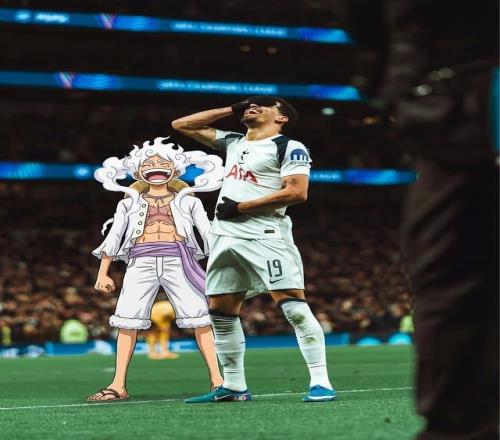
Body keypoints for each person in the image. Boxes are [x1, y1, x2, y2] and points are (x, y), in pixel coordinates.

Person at [340, 1, 499, 437]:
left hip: (460, 101)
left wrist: (389, 79)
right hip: (456, 103)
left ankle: (458, 426)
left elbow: (367, 21)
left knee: (451, 270)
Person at [172, 95, 336, 403]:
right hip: (224, 236)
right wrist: (232, 108)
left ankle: (321, 382)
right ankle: (234, 386)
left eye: (265, 104)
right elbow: (181, 125)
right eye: (249, 104)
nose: (253, 106)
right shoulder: (234, 142)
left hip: (265, 234)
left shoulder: (289, 146)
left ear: (281, 118)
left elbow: (297, 192)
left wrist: (242, 207)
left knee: (293, 307)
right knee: (220, 313)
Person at [86, 138, 224, 401]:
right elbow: (114, 236)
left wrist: (221, 263)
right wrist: (103, 272)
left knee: (201, 319)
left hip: (180, 259)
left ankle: (218, 381)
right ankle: (118, 385)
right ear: (138, 171)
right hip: (140, 260)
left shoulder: (190, 202)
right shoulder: (127, 203)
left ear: (176, 169)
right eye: (149, 163)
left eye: (163, 162)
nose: (156, 166)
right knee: (127, 320)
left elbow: (208, 234)